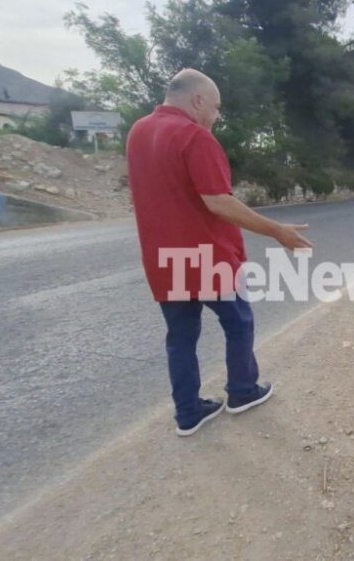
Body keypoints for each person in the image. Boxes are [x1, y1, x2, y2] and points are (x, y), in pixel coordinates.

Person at [127, 68, 312, 436]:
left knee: (180, 338)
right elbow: (218, 202)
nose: (216, 116)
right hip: (207, 258)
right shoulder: (195, 136)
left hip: (164, 260)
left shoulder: (138, 132)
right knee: (238, 322)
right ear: (197, 101)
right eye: (215, 107)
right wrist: (278, 231)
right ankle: (242, 391)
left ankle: (188, 412)